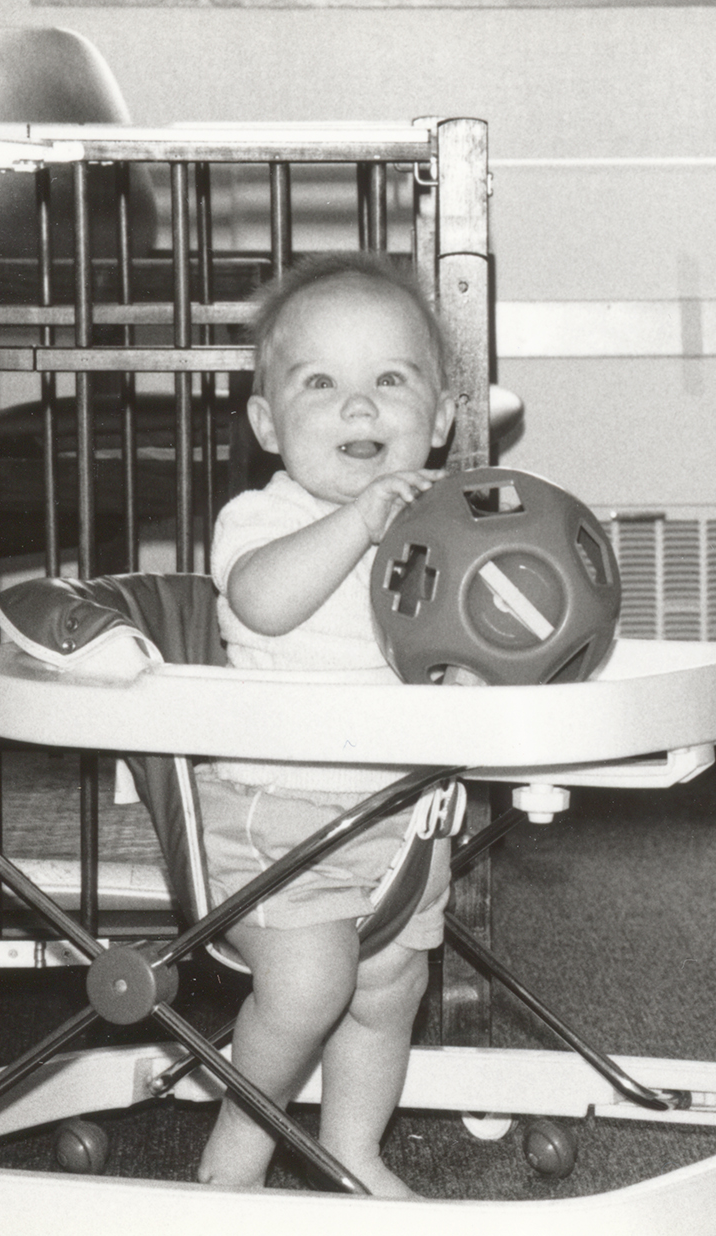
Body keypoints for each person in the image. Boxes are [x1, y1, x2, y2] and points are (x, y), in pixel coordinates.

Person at [194, 253, 457, 1195]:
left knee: (389, 991)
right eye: (322, 384)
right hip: (279, 812)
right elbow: (262, 604)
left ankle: (352, 1147)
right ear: (268, 423)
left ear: (439, 417)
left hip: (404, 819)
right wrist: (357, 525)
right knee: (309, 987)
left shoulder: (448, 533)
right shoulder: (261, 518)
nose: (360, 408)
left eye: (391, 381)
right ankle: (235, 1160)